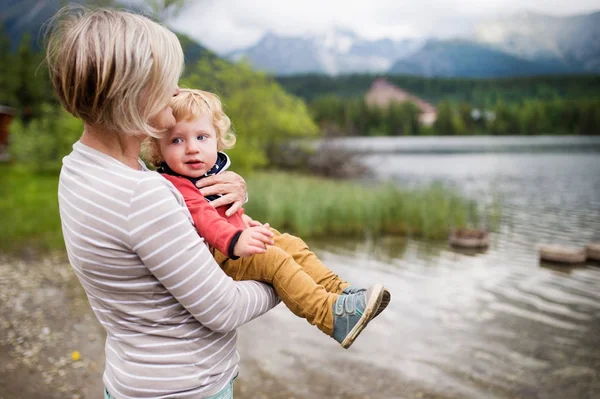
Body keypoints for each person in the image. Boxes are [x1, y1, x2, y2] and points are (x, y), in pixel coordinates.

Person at [47, 6, 280, 399]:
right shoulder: (140, 194)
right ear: (135, 92)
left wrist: (232, 190)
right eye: (167, 82)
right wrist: (283, 274)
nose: (176, 92)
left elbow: (170, 215)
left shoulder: (81, 168)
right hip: (186, 387)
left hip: (132, 379)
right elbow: (224, 309)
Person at [143, 89, 391, 349]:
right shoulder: (177, 184)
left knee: (290, 243)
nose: (192, 148)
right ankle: (329, 315)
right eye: (177, 141)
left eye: (201, 137)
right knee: (273, 259)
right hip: (218, 257)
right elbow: (205, 219)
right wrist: (237, 238)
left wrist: (243, 222)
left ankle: (341, 292)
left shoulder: (207, 176)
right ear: (158, 149)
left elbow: (221, 211)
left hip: (229, 246)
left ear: (217, 140)